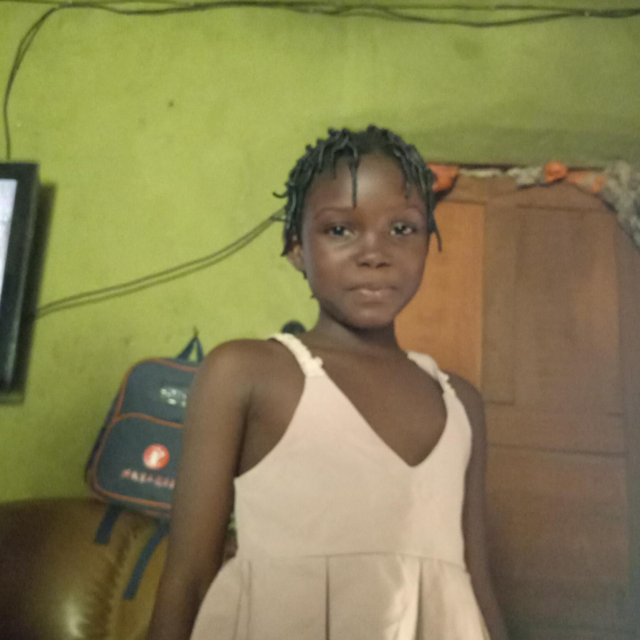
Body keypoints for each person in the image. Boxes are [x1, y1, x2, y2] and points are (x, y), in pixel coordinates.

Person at [147, 126, 509, 640]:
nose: (374, 253)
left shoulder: (460, 403)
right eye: (340, 229)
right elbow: (186, 579)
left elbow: (477, 589)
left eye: (402, 229)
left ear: (428, 244)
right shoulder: (245, 373)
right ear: (296, 248)